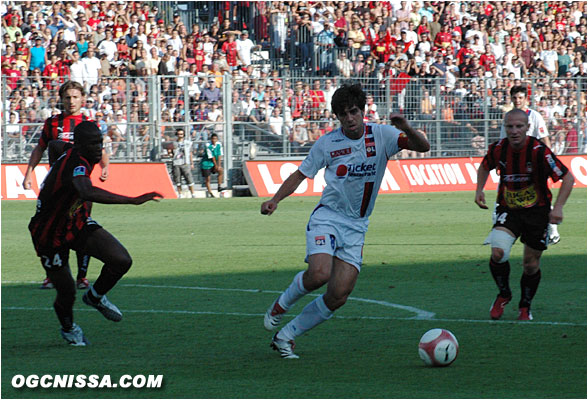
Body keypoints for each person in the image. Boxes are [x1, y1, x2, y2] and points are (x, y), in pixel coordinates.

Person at [260, 83, 429, 359]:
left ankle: (286, 336)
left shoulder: (382, 135)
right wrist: (275, 200)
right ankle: (280, 305)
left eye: (353, 112)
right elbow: (301, 175)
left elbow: (423, 146)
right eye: (343, 114)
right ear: (337, 117)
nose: (349, 118)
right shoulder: (327, 143)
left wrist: (406, 127)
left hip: (357, 225)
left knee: (338, 295)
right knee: (319, 274)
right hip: (328, 217)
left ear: (362, 111)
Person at [29, 121, 162, 345]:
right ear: (79, 145)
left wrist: (54, 171)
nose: (98, 148)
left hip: (75, 221)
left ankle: (95, 296)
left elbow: (53, 145)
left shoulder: (72, 151)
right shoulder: (77, 162)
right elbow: (85, 190)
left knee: (121, 260)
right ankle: (69, 329)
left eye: (99, 142)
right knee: (66, 291)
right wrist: (131, 200)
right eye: (92, 144)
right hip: (49, 232)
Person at [474, 109, 574, 321]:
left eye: (519, 126)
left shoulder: (539, 151)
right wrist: (479, 189)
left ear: (528, 127)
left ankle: (525, 306)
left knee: (530, 265)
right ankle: (504, 294)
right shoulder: (499, 148)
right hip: (508, 210)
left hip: (537, 213)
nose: (514, 131)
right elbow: (484, 167)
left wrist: (558, 208)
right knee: (498, 253)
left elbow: (567, 178)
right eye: (510, 127)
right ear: (505, 128)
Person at [22, 81, 109, 290]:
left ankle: (82, 276)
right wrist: (28, 173)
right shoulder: (52, 123)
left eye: (75, 97)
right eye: (68, 97)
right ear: (62, 99)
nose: (71, 101)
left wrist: (105, 167)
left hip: (81, 187)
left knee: (82, 227)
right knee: (53, 231)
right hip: (57, 189)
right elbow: (39, 149)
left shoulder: (88, 123)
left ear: (82, 99)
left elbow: (101, 150)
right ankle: (53, 275)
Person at [494, 85, 562, 246]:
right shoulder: (508, 118)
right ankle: (499, 232)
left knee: (541, 197)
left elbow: (544, 138)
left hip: (533, 164)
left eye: (520, 98)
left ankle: (553, 231)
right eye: (514, 98)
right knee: (504, 194)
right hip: (512, 164)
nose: (517, 101)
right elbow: (503, 142)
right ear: (510, 99)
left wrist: (548, 161)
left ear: (526, 99)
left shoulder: (534, 116)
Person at [170, 128, 197, 198]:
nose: (180, 136)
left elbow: (190, 153)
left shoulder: (187, 143)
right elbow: (170, 152)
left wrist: (191, 163)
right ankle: (180, 193)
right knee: (177, 179)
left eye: (181, 134)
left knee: (189, 178)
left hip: (185, 162)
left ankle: (193, 193)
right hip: (176, 162)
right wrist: (170, 153)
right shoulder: (174, 143)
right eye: (179, 134)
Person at [200, 133, 225, 197]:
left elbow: (219, 155)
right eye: (213, 139)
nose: (214, 140)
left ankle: (219, 186)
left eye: (215, 139)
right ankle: (210, 192)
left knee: (220, 170)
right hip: (206, 164)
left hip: (214, 163)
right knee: (208, 179)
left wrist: (219, 165)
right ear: (211, 139)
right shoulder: (208, 145)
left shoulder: (219, 144)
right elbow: (212, 157)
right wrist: (216, 165)